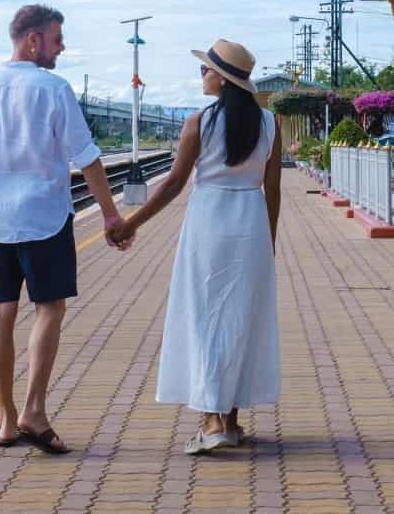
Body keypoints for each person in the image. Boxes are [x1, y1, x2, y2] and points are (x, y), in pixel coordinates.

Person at [0, 4, 129, 456]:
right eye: (56, 39)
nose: (61, 47)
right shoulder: (52, 88)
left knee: (0, 314)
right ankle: (34, 411)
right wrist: (110, 215)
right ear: (32, 40)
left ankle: (7, 419)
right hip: (45, 219)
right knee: (49, 309)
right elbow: (86, 156)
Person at [110, 38, 282, 455]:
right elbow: (273, 191)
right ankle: (233, 420)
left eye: (206, 70)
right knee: (242, 319)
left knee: (205, 318)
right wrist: (268, 244)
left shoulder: (198, 122)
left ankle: (211, 421)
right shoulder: (269, 124)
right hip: (251, 226)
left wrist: (129, 222)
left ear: (222, 80)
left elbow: (172, 184)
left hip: (207, 225)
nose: (201, 75)